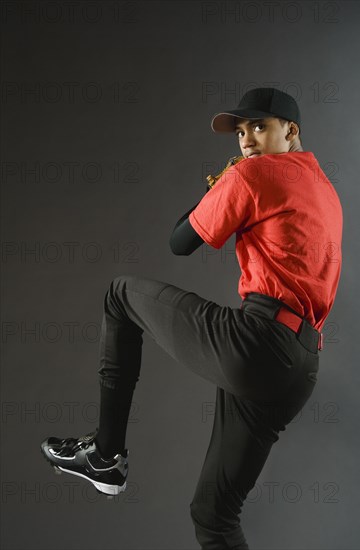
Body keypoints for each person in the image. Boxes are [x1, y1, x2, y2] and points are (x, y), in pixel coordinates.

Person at [40, 87, 343, 550]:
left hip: (258, 343)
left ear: (291, 130)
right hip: (301, 367)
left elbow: (180, 243)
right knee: (214, 517)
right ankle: (105, 458)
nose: (246, 141)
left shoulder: (254, 174)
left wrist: (221, 184)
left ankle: (106, 455)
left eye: (259, 126)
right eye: (241, 132)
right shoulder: (324, 187)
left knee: (120, 294)